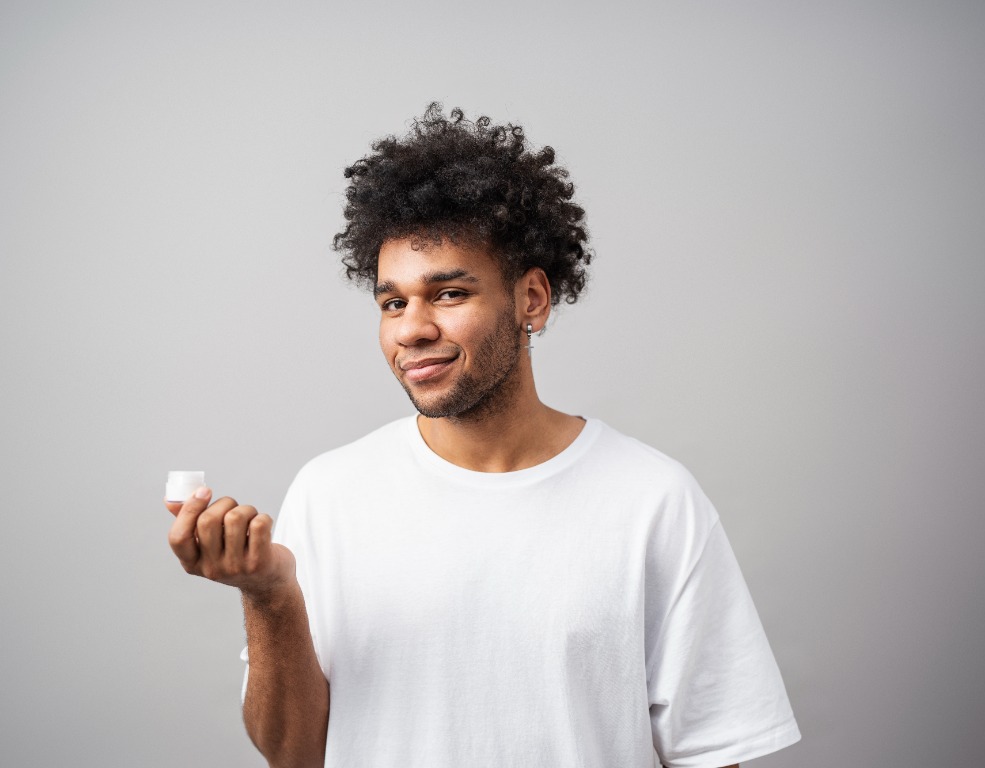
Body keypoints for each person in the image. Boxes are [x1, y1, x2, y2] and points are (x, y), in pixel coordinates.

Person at [166, 104, 801, 768]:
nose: (411, 328)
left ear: (531, 298)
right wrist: (269, 596)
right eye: (392, 302)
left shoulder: (653, 499)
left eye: (447, 294)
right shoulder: (331, 493)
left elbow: (712, 752)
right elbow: (294, 755)